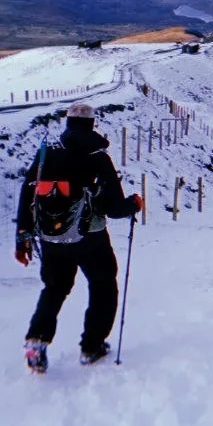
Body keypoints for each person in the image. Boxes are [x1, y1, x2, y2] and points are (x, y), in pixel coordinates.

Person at [15, 103, 143, 372]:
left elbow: (28, 195)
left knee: (54, 289)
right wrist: (135, 203)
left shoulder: (46, 153)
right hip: (91, 239)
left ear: (67, 123)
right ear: (92, 124)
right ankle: (92, 346)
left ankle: (36, 342)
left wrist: (22, 238)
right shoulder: (98, 158)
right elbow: (114, 208)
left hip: (52, 240)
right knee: (102, 284)